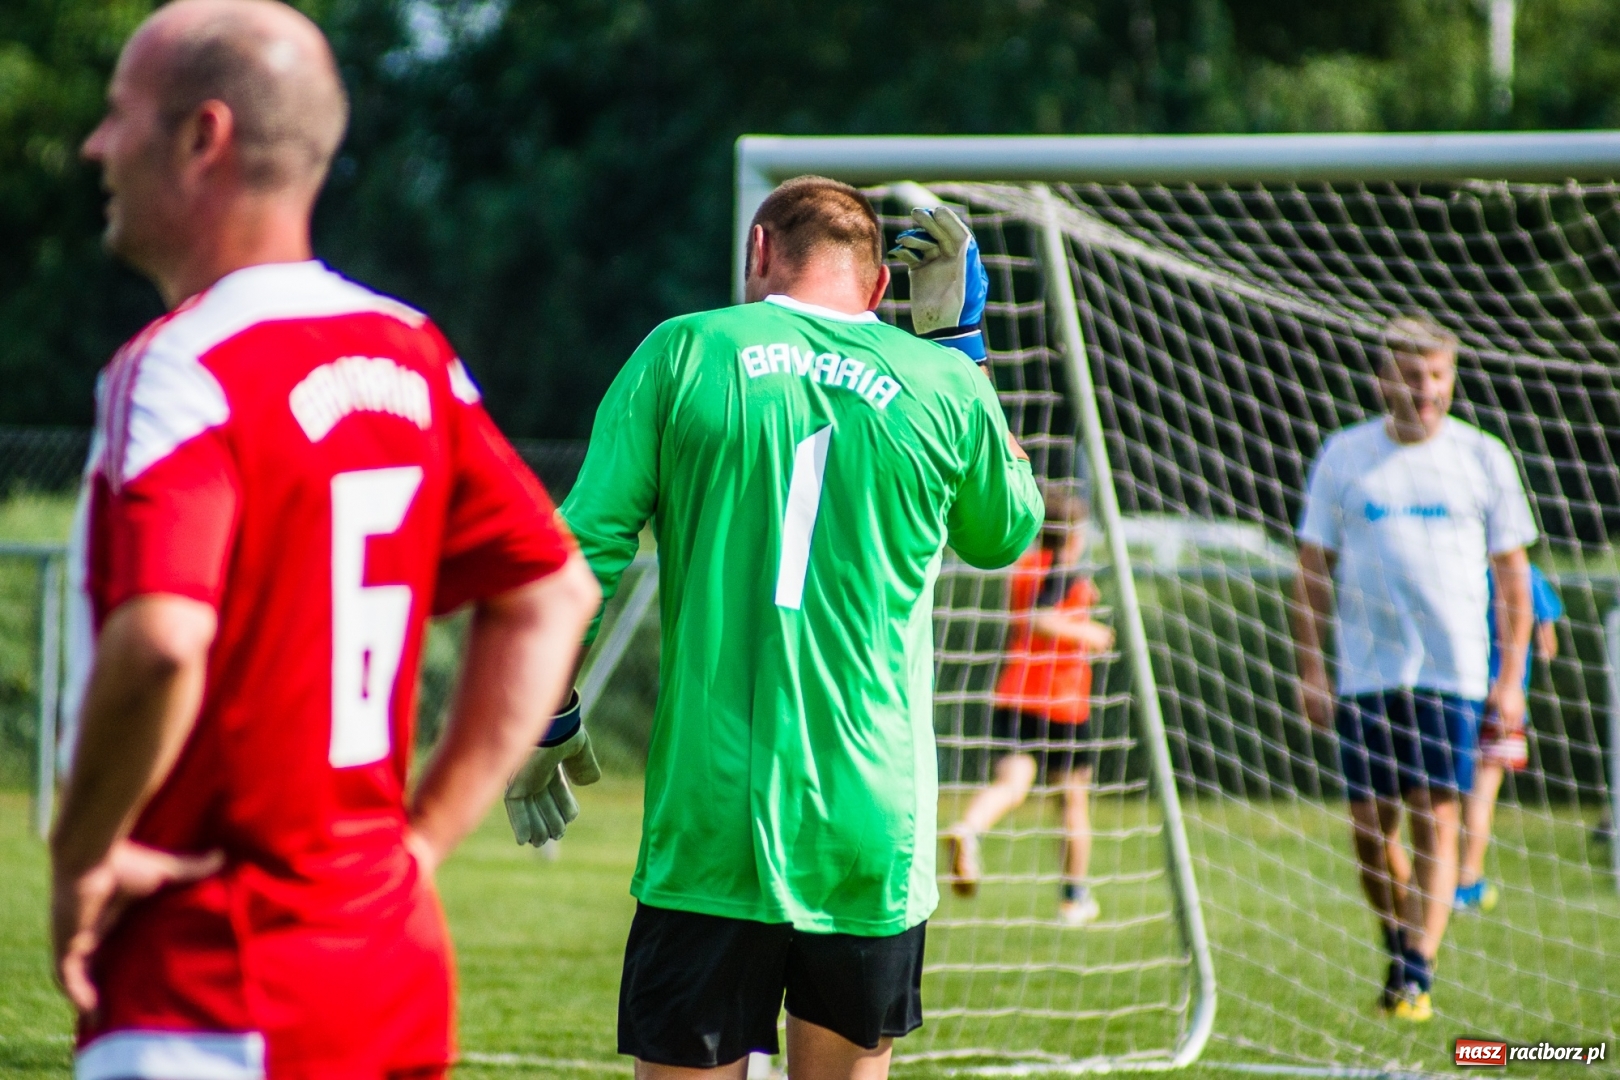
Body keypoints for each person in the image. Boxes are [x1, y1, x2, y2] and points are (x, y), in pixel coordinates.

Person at [52, 3, 602, 1077]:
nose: (95, 146)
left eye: (119, 113)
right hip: (390, 974)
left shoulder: (180, 368)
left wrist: (82, 857)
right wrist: (423, 842)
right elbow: (554, 593)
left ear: (202, 136)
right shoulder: (411, 352)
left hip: (210, 976)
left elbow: (162, 642)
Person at [557, 178, 1043, 1080]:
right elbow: (1005, 534)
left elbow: (583, 548)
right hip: (869, 821)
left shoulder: (683, 349)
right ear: (881, 286)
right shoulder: (940, 383)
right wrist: (965, 351)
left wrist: (546, 709)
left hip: (713, 819)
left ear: (757, 249)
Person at [1291, 314, 1536, 1023]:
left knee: (1438, 815)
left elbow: (1514, 580)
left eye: (1435, 375)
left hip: (1454, 672)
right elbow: (1311, 571)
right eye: (1409, 374)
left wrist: (1510, 680)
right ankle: (1401, 941)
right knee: (1370, 831)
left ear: (1450, 380)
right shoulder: (1344, 455)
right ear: (1383, 379)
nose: (1423, 388)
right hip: (1366, 672)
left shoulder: (1483, 457)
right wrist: (1311, 668)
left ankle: (1418, 969)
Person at [943, 487, 1114, 926]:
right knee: (1072, 801)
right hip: (1062, 700)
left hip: (1016, 692)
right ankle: (1074, 898)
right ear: (1074, 534)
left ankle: (969, 829)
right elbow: (1041, 618)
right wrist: (1090, 632)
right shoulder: (1065, 569)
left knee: (1012, 784)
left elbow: (1022, 619)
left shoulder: (1024, 568)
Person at [1456, 563, 1563, 912]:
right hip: (1506, 701)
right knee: (1481, 795)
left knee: (1449, 793)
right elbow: (1548, 645)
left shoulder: (1463, 566)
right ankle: (1467, 880)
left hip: (1456, 693)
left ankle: (1444, 874)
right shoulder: (1527, 574)